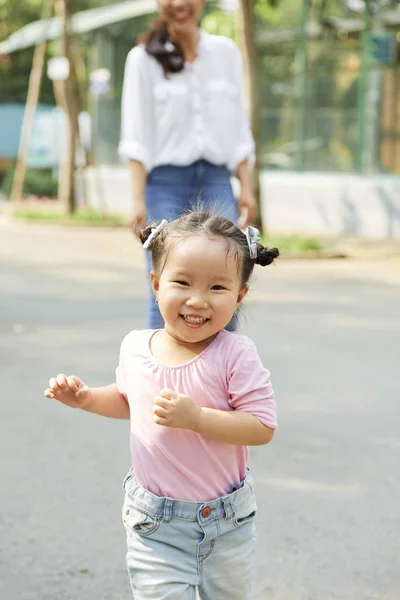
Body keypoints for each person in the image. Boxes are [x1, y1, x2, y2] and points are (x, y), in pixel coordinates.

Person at [44, 209, 279, 600]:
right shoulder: (136, 346)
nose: (197, 300)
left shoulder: (236, 354)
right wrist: (86, 399)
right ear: (156, 284)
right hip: (155, 526)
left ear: (240, 296)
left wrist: (197, 418)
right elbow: (129, 400)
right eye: (182, 282)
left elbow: (261, 426)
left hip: (226, 524)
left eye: (217, 288)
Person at [119, 0, 257, 329]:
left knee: (225, 283)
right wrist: (137, 200)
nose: (179, 4)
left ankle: (222, 376)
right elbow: (137, 135)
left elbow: (238, 125)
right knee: (168, 288)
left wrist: (246, 187)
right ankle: (158, 378)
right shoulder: (142, 59)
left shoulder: (226, 53)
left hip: (216, 181)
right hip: (164, 186)